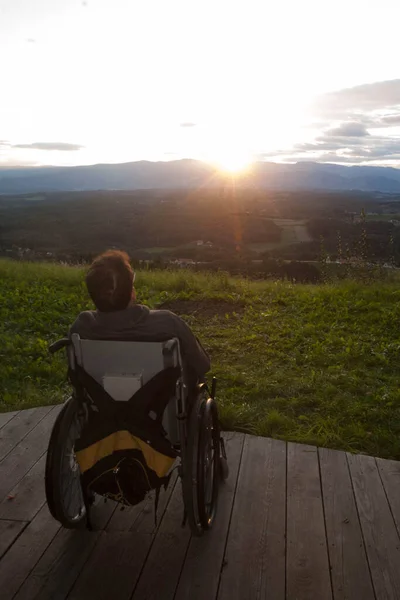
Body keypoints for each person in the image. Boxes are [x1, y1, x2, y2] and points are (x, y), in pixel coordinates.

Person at [69, 250, 210, 383]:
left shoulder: (82, 327)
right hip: (160, 406)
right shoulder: (167, 323)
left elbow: (74, 373)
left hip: (101, 405)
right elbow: (202, 365)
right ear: (132, 292)